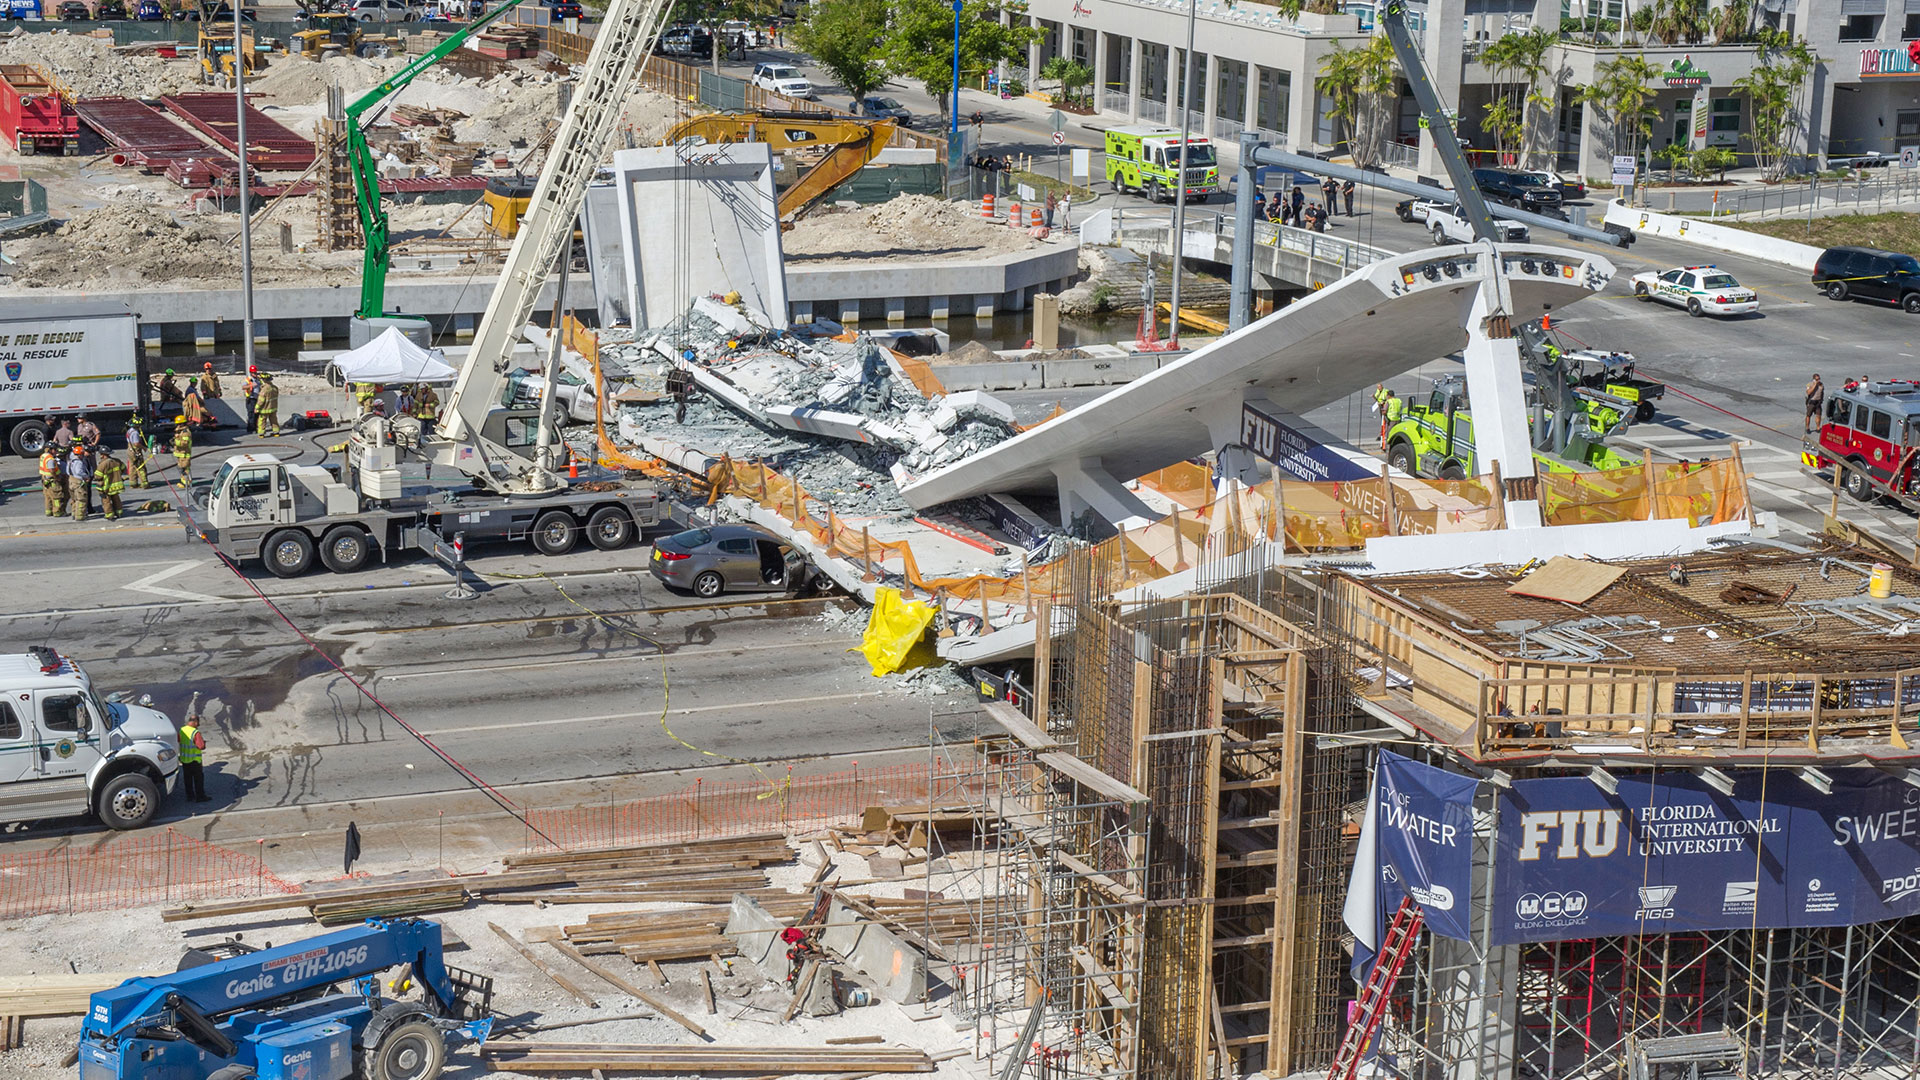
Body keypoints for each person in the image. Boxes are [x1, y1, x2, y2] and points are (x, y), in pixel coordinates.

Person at [177, 714, 208, 803]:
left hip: (185, 760)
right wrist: (204, 743)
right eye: (198, 723)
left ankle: (190, 796)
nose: (198, 725)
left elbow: (179, 740)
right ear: (195, 722)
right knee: (198, 779)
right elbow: (201, 746)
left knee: (187, 779)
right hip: (195, 760)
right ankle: (200, 796)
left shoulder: (182, 730)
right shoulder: (195, 732)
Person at [65, 446, 93, 523]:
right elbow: (79, 471)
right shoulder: (79, 462)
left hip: (71, 481)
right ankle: (80, 516)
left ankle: (74, 514)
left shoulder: (71, 460)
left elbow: (67, 471)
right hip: (78, 482)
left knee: (74, 499)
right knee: (81, 499)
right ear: (80, 454)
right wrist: (86, 476)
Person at [96, 448, 125, 520]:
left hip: (107, 486)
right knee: (116, 499)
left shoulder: (103, 464)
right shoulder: (117, 461)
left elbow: (98, 476)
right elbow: (124, 468)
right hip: (117, 485)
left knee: (106, 500)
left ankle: (109, 515)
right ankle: (119, 512)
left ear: (103, 455)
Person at [39, 445, 65, 518]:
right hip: (52, 480)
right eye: (55, 449)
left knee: (48, 497)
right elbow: (52, 470)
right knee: (56, 497)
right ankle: (57, 512)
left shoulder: (43, 456)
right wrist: (57, 478)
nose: (56, 451)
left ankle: (48, 511)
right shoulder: (50, 459)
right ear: (51, 450)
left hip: (45, 479)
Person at [243, 365, 259, 431]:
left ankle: (255, 427)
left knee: (256, 414)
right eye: (254, 373)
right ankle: (251, 428)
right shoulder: (248, 380)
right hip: (251, 399)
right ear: (251, 373)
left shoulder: (258, 379)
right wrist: (251, 385)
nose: (255, 374)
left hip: (257, 399)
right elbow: (243, 387)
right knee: (251, 414)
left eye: (255, 372)